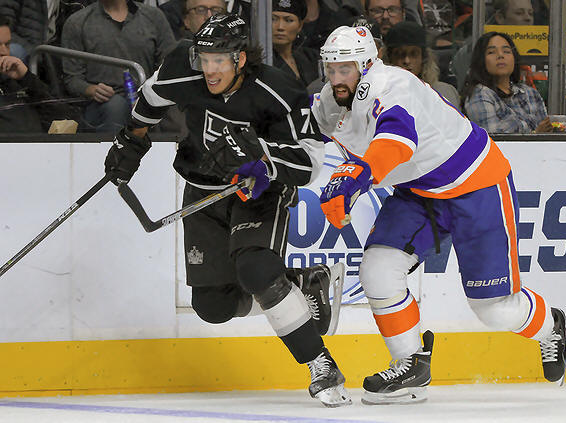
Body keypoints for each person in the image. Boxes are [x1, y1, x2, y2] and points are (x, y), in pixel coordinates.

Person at [312, 25, 566, 405]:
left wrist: (356, 176)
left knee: (495, 310)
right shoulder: (329, 101)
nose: (336, 78)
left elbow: (396, 141)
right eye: (331, 69)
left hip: (475, 183)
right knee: (377, 270)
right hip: (419, 192)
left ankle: (551, 325)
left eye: (345, 69)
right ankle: (410, 366)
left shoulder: (391, 85)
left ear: (366, 65)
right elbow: (304, 140)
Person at [103, 14, 351, 407]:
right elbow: (150, 98)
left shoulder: (279, 90)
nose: (210, 70)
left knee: (258, 272)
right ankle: (302, 285)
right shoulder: (182, 68)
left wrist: (263, 161)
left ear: (240, 58)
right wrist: (131, 141)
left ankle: (319, 363)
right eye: (204, 59)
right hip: (202, 190)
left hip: (258, 192)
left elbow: (309, 163)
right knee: (213, 307)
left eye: (219, 60)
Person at [61, 0, 176, 133]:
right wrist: (90, 89)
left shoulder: (154, 17)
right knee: (116, 107)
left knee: (168, 109)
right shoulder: (78, 22)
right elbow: (72, 79)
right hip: (101, 104)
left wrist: (150, 94)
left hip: (147, 97)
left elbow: (171, 66)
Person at [461, 32, 552, 134]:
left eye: (506, 51)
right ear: (481, 60)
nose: (500, 55)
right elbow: (493, 138)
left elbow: (547, 130)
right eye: (491, 52)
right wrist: (534, 133)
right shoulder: (480, 94)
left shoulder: (530, 93)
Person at [0, 16, 75, 133]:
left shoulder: (17, 82)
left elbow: (62, 115)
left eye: (7, 44)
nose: (4, 51)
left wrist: (26, 77)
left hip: (38, 142)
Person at [449, 0, 534, 90]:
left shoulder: (540, 46)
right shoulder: (471, 50)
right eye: (519, 13)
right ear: (500, 17)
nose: (528, 18)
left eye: (531, 13)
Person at [383, 21, 460, 108]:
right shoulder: (379, 96)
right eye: (400, 54)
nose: (407, 61)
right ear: (389, 59)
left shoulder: (443, 92)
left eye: (414, 54)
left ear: (423, 58)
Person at [272, 0, 320, 88]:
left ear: (300, 26)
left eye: (288, 20)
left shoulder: (311, 57)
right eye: (273, 19)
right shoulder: (262, 60)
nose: (280, 27)